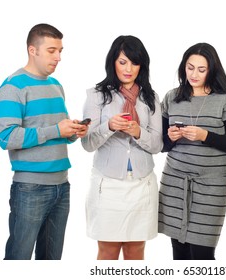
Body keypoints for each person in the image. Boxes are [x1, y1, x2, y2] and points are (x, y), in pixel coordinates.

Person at [0, 23, 89, 260]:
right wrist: (56, 129)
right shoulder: (12, 87)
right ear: (32, 50)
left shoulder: (56, 86)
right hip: (30, 189)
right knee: (19, 258)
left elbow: (55, 133)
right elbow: (6, 138)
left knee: (51, 261)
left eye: (60, 51)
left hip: (62, 186)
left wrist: (71, 132)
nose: (58, 57)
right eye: (51, 51)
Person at [158, 43, 226, 260]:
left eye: (201, 70)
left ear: (212, 70)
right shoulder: (171, 97)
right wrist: (171, 138)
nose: (194, 74)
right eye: (190, 67)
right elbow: (161, 145)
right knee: (179, 251)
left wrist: (205, 136)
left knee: (203, 255)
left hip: (211, 186)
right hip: (175, 183)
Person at [81, 35, 162, 260]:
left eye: (134, 63)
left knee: (136, 250)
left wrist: (138, 132)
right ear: (112, 62)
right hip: (108, 185)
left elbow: (157, 145)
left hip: (142, 183)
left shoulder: (151, 98)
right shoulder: (96, 95)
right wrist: (109, 126)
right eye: (122, 61)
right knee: (108, 250)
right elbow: (87, 143)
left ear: (142, 65)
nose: (128, 69)